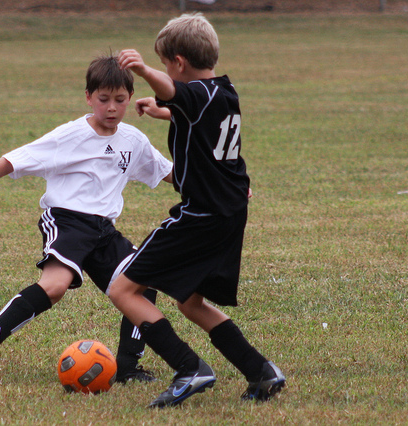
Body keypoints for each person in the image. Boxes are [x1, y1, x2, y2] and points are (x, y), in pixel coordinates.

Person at [0, 54, 174, 384]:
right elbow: (19, 158)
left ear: (130, 98)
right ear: (88, 97)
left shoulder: (133, 141)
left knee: (144, 280)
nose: (111, 108)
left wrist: (222, 185)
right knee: (55, 286)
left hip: (104, 231)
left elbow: (169, 173)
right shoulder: (69, 136)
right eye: (103, 99)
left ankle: (127, 368)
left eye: (120, 100)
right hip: (67, 220)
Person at [111, 13, 285, 408]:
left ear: (177, 62)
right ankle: (261, 371)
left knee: (122, 287)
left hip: (200, 215)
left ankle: (189, 368)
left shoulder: (189, 91)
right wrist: (164, 112)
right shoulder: (224, 91)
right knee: (191, 302)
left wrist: (142, 69)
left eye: (164, 62)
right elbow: (196, 116)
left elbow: (174, 91)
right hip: (229, 212)